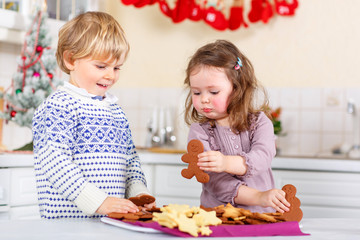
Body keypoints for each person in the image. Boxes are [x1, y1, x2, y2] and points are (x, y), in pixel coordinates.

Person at [32, 11, 154, 219]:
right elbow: (55, 163)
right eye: (101, 66)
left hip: (109, 224)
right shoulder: (58, 106)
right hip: (66, 227)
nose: (110, 75)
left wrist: (138, 193)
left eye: (117, 68)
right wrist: (99, 202)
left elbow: (131, 161)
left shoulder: (115, 111)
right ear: (71, 59)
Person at [183, 40, 290, 213]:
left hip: (261, 215)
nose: (203, 99)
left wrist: (226, 162)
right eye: (196, 92)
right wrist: (259, 197)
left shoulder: (260, 122)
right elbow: (215, 182)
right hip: (218, 217)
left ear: (237, 89)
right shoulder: (199, 131)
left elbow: (262, 157)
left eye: (213, 92)